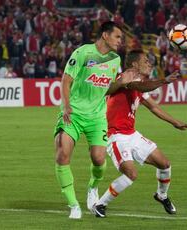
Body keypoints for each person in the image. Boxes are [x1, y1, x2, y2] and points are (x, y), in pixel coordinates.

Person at [53, 21, 136, 219]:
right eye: (117, 37)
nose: (120, 41)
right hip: (73, 113)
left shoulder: (115, 60)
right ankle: (73, 205)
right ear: (105, 36)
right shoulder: (83, 53)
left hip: (97, 116)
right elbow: (66, 80)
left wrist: (120, 83)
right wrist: (66, 105)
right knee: (62, 154)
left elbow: (108, 89)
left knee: (98, 158)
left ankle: (93, 187)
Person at [92, 50, 187, 218]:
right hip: (116, 135)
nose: (150, 64)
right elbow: (139, 86)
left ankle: (161, 195)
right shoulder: (127, 77)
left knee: (164, 164)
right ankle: (100, 204)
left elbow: (153, 106)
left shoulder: (139, 81)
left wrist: (175, 122)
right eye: (146, 61)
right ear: (134, 65)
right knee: (131, 174)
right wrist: (163, 81)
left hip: (132, 134)